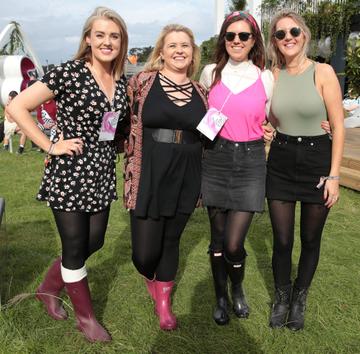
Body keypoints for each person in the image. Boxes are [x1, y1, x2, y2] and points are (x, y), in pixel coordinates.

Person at [8, 7, 129, 342]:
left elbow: (111, 129)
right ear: (88, 39)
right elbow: (16, 108)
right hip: (70, 171)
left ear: (122, 42)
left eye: (114, 36)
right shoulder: (69, 72)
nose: (107, 42)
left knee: (96, 241)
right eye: (100, 35)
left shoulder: (120, 82)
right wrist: (50, 146)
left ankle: (49, 286)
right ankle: (86, 319)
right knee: (75, 245)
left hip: (102, 171)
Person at [124, 24, 207, 330]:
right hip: (150, 170)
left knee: (171, 240)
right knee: (144, 255)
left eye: (185, 45)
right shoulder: (143, 82)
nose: (179, 50)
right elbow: (118, 117)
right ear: (161, 51)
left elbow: (209, 135)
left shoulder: (202, 92)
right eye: (172, 45)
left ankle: (164, 305)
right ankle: (151, 278)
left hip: (187, 171)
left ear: (193, 52)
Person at [266, 10, 345, 331]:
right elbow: (269, 114)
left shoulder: (323, 71)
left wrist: (335, 176)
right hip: (281, 161)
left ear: (304, 35)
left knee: (310, 238)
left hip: (317, 161)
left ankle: (299, 298)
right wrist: (267, 128)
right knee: (282, 240)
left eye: (294, 31)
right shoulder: (272, 75)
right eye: (280, 33)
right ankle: (282, 297)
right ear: (274, 40)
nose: (288, 38)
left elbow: (338, 126)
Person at [199, 11, 273, 325]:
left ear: (254, 40)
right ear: (224, 40)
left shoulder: (266, 77)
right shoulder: (209, 73)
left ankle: (237, 289)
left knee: (234, 242)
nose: (237, 41)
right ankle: (220, 297)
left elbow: (274, 117)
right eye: (231, 36)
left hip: (251, 161)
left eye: (244, 36)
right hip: (216, 158)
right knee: (217, 239)